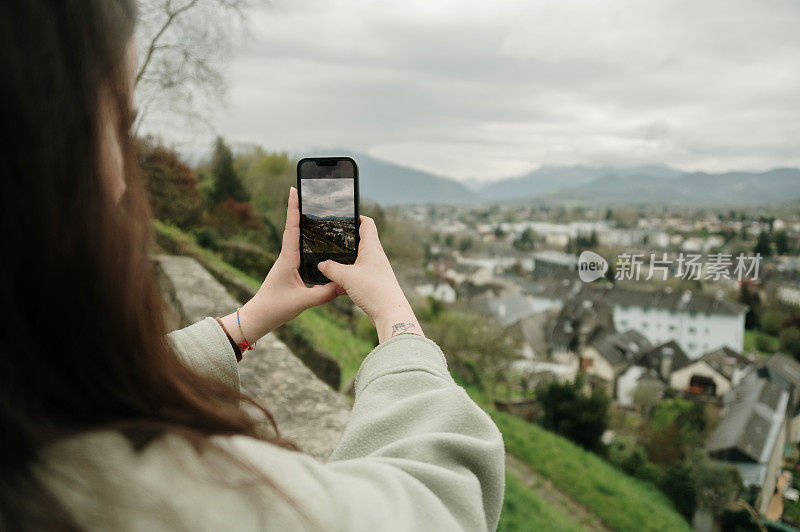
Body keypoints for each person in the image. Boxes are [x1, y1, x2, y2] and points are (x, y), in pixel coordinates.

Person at [0, 1, 504, 530]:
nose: (127, 180)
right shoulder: (150, 496)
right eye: (119, 126)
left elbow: (79, 394)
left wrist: (242, 325)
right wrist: (398, 322)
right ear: (47, 153)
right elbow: (438, 502)